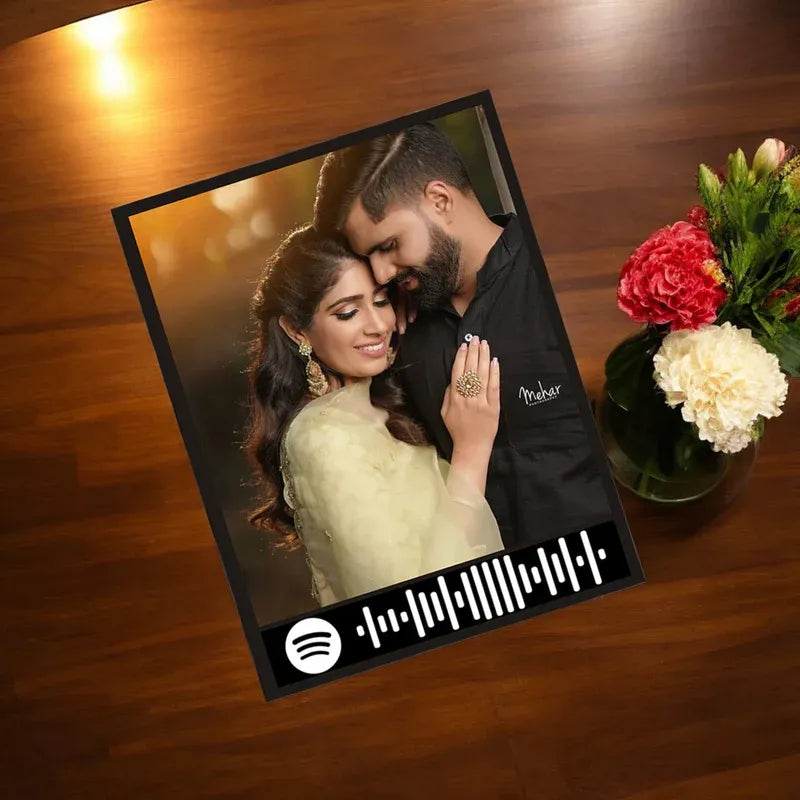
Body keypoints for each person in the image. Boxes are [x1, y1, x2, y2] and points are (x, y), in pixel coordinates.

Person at [313, 121, 612, 549]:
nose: (380, 273)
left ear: (440, 200)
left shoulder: (567, 278)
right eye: (369, 256)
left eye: (389, 245)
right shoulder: (396, 327)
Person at [244, 224, 504, 607]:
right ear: (298, 331)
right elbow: (415, 604)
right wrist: (471, 450)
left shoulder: (377, 404)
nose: (379, 326)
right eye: (348, 312)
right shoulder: (322, 437)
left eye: (382, 302)